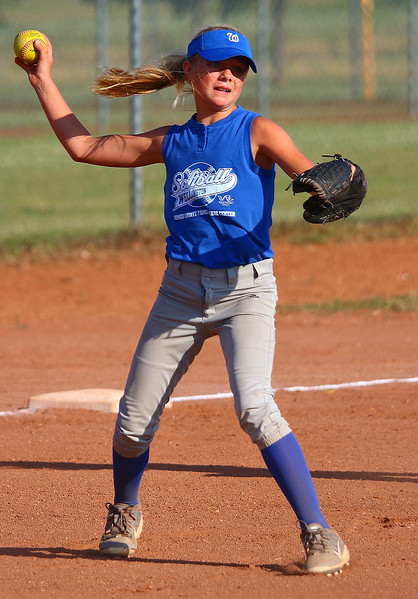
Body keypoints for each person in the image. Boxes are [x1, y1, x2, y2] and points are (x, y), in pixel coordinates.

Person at [16, 24, 350, 575]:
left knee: (255, 409)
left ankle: (320, 534)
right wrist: (42, 81)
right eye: (218, 65)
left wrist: (324, 183)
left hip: (246, 288)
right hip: (180, 293)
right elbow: (85, 147)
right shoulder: (173, 141)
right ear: (190, 72)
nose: (228, 75)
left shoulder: (257, 130)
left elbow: (312, 175)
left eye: (238, 69)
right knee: (131, 423)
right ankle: (125, 512)